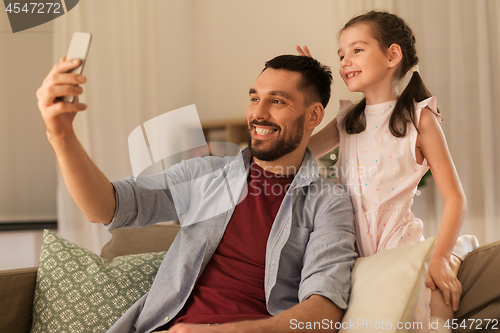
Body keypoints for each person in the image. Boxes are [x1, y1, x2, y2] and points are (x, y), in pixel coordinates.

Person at [36, 54, 357, 332]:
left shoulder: (327, 203)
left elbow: (323, 313)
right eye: (254, 97)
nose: (258, 114)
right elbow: (107, 207)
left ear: (314, 116)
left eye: (277, 101)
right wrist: (61, 135)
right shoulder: (206, 174)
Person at [296, 10, 467, 333]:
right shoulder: (348, 120)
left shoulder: (420, 119)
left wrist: (440, 259)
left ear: (392, 55)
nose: (346, 61)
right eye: (341, 54)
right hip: (350, 257)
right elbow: (300, 153)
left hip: (399, 250)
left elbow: (456, 199)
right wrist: (310, 89)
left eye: (357, 50)